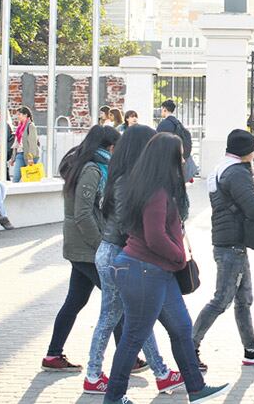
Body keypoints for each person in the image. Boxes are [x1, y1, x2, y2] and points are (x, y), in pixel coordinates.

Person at [102, 133, 230, 403]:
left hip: (155, 271)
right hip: (144, 270)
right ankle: (114, 397)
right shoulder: (156, 191)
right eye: (181, 156)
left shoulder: (150, 185)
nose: (184, 161)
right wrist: (180, 257)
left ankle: (196, 388)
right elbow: (154, 236)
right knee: (133, 336)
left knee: (182, 328)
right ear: (168, 159)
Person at [87, 125, 182, 396]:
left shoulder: (123, 176)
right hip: (118, 254)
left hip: (114, 253)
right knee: (116, 318)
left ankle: (161, 372)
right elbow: (135, 226)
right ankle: (95, 375)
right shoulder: (129, 181)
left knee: (135, 318)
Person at [42, 124, 121, 375]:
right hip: (87, 247)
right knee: (117, 300)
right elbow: (83, 214)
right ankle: (127, 358)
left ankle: (53, 354)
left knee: (76, 300)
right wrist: (101, 246)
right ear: (109, 147)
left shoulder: (89, 165)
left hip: (81, 247)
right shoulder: (92, 169)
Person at [192, 130, 254, 370]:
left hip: (230, 242)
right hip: (231, 245)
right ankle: (189, 347)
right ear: (246, 152)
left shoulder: (222, 168)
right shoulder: (236, 173)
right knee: (221, 300)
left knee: (243, 298)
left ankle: (251, 348)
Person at [11, 106, 40, 182]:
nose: (18, 116)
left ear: (25, 115)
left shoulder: (31, 126)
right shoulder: (19, 127)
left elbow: (32, 143)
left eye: (19, 114)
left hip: (29, 155)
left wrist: (31, 157)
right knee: (16, 178)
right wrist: (13, 157)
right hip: (20, 154)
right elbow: (16, 143)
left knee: (30, 178)